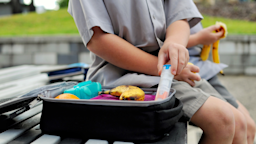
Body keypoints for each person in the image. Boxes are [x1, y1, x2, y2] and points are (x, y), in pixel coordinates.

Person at [68, 0, 248, 143]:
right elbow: (98, 40)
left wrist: (174, 44)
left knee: (240, 125)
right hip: (123, 75)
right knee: (222, 121)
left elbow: (179, 16)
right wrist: (163, 68)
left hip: (172, 68)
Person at [187, 22, 256, 144]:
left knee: (249, 127)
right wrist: (199, 38)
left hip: (202, 69)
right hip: (185, 72)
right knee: (235, 126)